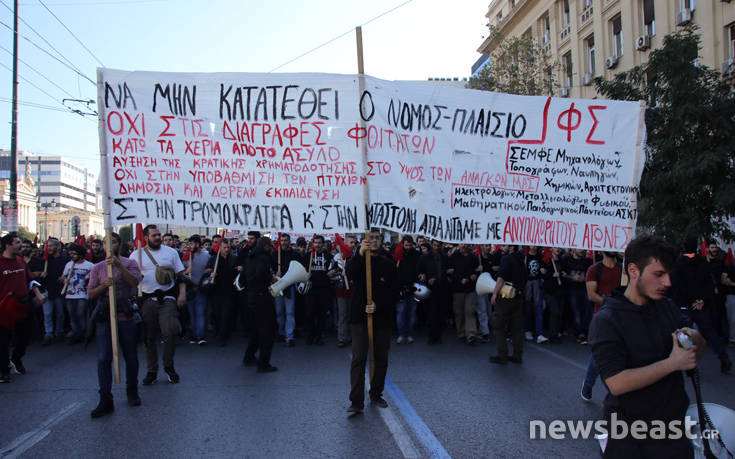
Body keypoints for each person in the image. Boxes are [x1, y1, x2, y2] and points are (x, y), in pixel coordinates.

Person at [589, 234, 705, 457]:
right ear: (633, 271)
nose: (667, 283)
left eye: (669, 275)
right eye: (659, 275)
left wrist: (693, 338)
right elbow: (617, 383)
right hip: (631, 439)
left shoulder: (667, 307)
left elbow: (697, 352)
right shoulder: (607, 320)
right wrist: (671, 364)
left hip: (673, 433)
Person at [86, 232, 142, 418]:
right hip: (105, 315)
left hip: (125, 314)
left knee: (130, 356)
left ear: (120, 244)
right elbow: (91, 293)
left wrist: (119, 267)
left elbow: (135, 282)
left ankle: (132, 391)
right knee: (104, 358)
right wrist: (103, 286)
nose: (110, 245)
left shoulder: (130, 263)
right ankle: (105, 398)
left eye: (114, 242)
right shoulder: (98, 268)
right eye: (106, 243)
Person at [346, 230, 398, 412]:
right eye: (370, 238)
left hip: (381, 318)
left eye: (377, 238)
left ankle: (376, 393)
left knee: (380, 358)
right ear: (363, 241)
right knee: (359, 358)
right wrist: (360, 254)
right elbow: (350, 273)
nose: (374, 241)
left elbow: (394, 293)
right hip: (360, 318)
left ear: (382, 241)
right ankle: (356, 400)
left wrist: (379, 306)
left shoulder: (389, 263)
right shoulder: (359, 260)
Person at [129, 225, 186, 385]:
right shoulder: (136, 255)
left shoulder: (171, 253)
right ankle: (151, 371)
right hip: (146, 299)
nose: (157, 238)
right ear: (146, 237)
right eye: (154, 235)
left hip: (167, 298)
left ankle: (169, 367)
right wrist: (135, 278)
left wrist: (182, 294)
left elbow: (180, 275)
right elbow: (131, 280)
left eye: (158, 234)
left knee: (170, 332)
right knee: (148, 338)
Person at [670, 236, 732, 374]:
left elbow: (676, 286)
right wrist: (702, 300)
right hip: (701, 305)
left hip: (685, 305)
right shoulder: (703, 262)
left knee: (685, 335)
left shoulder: (679, 263)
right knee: (710, 333)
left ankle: (690, 365)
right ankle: (724, 357)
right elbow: (709, 283)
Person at [581, 251, 622, 401]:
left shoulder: (623, 270)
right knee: (599, 354)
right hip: (602, 317)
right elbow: (591, 295)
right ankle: (588, 383)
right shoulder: (593, 270)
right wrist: (608, 304)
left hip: (621, 317)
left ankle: (617, 391)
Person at [0, 233, 40, 382]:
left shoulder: (21, 261)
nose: (20, 245)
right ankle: (4, 370)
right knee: (3, 341)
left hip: (23, 304)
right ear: (7, 245)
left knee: (26, 336)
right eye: (17, 243)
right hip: (5, 306)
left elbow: (30, 279)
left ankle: (16, 358)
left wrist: (38, 293)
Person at [242, 237, 278, 373]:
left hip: (251, 296)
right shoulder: (264, 258)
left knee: (257, 329)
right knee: (267, 330)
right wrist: (271, 278)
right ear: (266, 246)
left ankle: (249, 356)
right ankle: (264, 363)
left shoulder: (250, 256)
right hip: (262, 297)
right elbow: (261, 274)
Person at [489, 245, 527, 365]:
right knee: (516, 328)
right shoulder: (522, 260)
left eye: (505, 245)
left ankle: (502, 354)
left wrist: (495, 293)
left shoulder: (506, 259)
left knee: (499, 325)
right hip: (518, 296)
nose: (502, 247)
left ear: (511, 247)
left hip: (506, 296)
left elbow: (501, 278)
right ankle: (517, 355)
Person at [204, 238, 238, 346]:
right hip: (216, 291)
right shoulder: (214, 259)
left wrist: (240, 269)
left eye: (228, 247)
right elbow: (206, 270)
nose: (227, 249)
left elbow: (238, 271)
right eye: (224, 247)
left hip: (229, 291)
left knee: (226, 313)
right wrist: (210, 273)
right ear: (220, 248)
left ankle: (223, 336)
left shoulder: (234, 258)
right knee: (216, 313)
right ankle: (218, 331)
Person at [417, 239, 451, 344]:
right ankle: (432, 336)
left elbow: (448, 271)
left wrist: (449, 274)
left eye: (438, 246)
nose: (436, 248)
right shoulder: (425, 257)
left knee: (441, 313)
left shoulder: (445, 257)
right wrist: (425, 278)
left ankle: (439, 335)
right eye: (435, 245)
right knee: (431, 313)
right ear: (432, 245)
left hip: (443, 288)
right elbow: (419, 272)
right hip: (430, 289)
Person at [61, 244, 94, 344]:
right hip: (70, 294)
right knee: (72, 315)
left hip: (83, 295)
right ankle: (76, 333)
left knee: (81, 314)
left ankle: (85, 333)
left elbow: (93, 279)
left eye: (74, 254)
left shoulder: (90, 265)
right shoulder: (69, 265)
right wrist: (64, 280)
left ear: (81, 255)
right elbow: (63, 277)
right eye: (71, 254)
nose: (72, 256)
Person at [305, 235, 335, 345]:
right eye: (315, 243)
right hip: (311, 288)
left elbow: (334, 267)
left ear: (323, 244)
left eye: (319, 243)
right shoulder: (308, 256)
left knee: (321, 314)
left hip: (324, 289)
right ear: (313, 243)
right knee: (310, 313)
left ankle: (319, 335)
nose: (317, 245)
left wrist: (332, 271)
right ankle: (310, 335)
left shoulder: (328, 256)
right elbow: (301, 269)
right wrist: (305, 275)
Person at [272, 233, 301, 347]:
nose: (283, 242)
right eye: (282, 240)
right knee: (279, 311)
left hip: (289, 286)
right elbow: (269, 268)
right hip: (278, 286)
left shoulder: (294, 254)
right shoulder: (275, 254)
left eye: (286, 240)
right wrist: (274, 274)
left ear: (289, 241)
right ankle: (281, 333)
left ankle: (289, 336)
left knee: (289, 312)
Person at [39, 238, 69, 345]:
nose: (49, 248)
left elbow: (69, 272)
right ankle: (48, 333)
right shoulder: (44, 260)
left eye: (51, 246)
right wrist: (41, 274)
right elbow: (37, 275)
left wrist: (64, 277)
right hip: (47, 290)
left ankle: (59, 331)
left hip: (59, 291)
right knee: (47, 313)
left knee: (60, 313)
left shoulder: (65, 260)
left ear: (58, 247)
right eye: (48, 246)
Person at [448, 244, 479, 344]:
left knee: (470, 311)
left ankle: (471, 334)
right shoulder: (453, 257)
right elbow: (449, 273)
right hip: (458, 289)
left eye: (465, 244)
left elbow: (476, 270)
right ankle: (461, 332)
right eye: (462, 244)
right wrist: (458, 279)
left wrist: (474, 275)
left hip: (470, 289)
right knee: (459, 312)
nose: (464, 246)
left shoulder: (473, 257)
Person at [561, 249, 593, 344]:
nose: (582, 250)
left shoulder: (587, 261)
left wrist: (584, 278)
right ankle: (580, 333)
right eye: (579, 248)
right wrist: (572, 278)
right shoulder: (567, 260)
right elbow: (563, 274)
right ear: (574, 249)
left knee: (587, 310)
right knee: (576, 312)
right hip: (572, 289)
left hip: (584, 289)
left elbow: (591, 274)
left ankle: (585, 330)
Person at [183, 235, 210, 345]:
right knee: (192, 314)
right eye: (189, 244)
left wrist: (208, 271)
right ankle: (194, 335)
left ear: (197, 244)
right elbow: (180, 272)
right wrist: (186, 271)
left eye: (192, 244)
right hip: (189, 288)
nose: (190, 246)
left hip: (201, 288)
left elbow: (211, 269)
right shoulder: (186, 256)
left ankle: (200, 336)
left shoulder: (206, 256)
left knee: (200, 313)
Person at [395, 235, 419, 344]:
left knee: (411, 313)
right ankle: (401, 334)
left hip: (413, 287)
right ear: (403, 244)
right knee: (401, 313)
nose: (408, 247)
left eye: (410, 245)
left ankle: (409, 334)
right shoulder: (398, 254)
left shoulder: (416, 255)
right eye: (406, 245)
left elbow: (419, 268)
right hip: (401, 288)